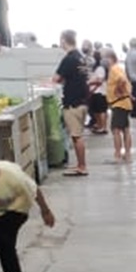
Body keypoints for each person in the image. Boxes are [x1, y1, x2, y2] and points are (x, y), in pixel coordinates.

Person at [53, 30, 90, 177]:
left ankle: (82, 166)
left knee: (76, 136)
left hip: (72, 104)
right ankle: (80, 165)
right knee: (77, 135)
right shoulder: (80, 58)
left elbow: (56, 79)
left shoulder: (69, 59)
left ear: (63, 40)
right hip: (82, 102)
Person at [103, 49, 134, 163]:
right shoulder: (118, 68)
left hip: (119, 103)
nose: (104, 61)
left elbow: (121, 80)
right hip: (124, 103)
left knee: (116, 130)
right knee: (125, 129)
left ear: (110, 58)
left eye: (105, 58)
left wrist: (117, 90)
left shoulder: (114, 69)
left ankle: (118, 154)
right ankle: (127, 153)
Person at [87, 50, 109, 136]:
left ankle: (103, 127)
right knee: (96, 111)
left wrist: (91, 86)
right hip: (95, 92)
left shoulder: (100, 68)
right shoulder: (96, 68)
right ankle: (99, 125)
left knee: (101, 110)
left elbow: (99, 81)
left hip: (100, 92)